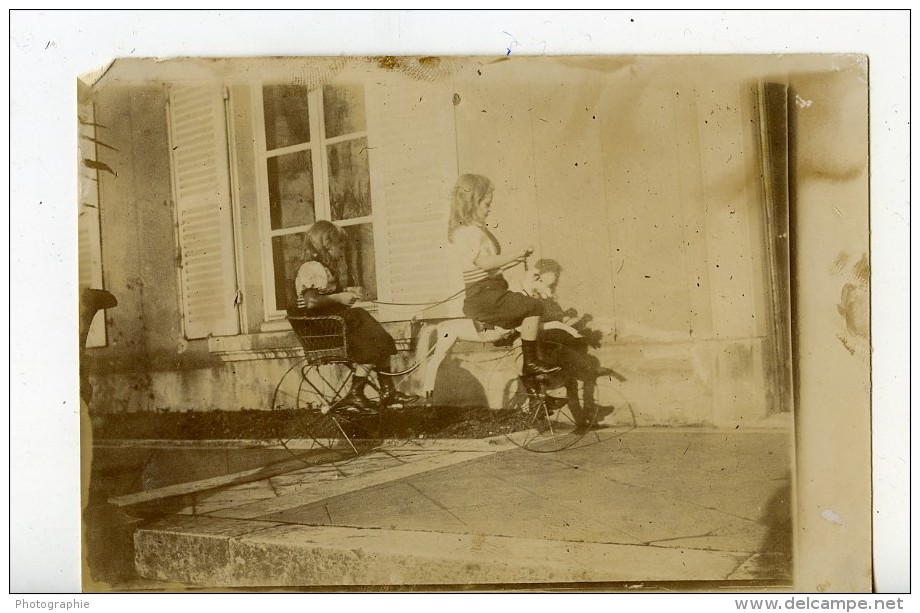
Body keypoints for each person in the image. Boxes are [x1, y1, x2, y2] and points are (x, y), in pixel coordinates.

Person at [292, 220, 418, 413]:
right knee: (365, 323)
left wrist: (346, 294)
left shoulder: (322, 269)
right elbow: (311, 302)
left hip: (333, 324)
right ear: (327, 243)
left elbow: (326, 297)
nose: (341, 253)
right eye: (340, 247)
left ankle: (385, 390)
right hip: (323, 329)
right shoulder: (311, 268)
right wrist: (341, 298)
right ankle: (359, 393)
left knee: (375, 338)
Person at [447, 173, 560, 378]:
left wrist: (513, 262)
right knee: (534, 306)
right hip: (485, 296)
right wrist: (517, 253)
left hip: (493, 290)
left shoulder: (477, 231)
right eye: (486, 204)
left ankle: (537, 397)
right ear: (472, 203)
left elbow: (488, 268)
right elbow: (484, 263)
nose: (489, 209)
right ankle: (531, 364)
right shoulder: (468, 232)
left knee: (523, 329)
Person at [514, 258, 613, 430]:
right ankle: (583, 414)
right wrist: (568, 324)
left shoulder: (545, 297)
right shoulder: (528, 297)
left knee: (572, 380)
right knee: (575, 376)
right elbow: (538, 324)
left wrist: (570, 319)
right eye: (549, 282)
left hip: (547, 344)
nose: (551, 287)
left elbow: (555, 318)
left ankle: (582, 420)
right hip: (537, 348)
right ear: (538, 277)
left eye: (554, 283)